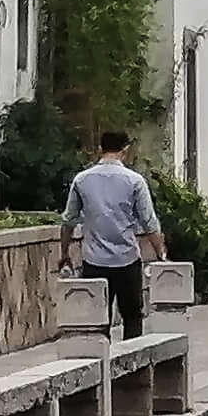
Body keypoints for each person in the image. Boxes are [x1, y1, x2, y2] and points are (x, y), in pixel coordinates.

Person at [65, 126, 160, 337]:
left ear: (100, 149)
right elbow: (149, 222)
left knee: (97, 319)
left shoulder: (82, 179)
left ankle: (101, 364)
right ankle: (134, 367)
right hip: (127, 259)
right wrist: (161, 252)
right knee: (133, 316)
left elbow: (68, 220)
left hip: (94, 261)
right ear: (125, 150)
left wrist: (64, 253)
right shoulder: (135, 181)